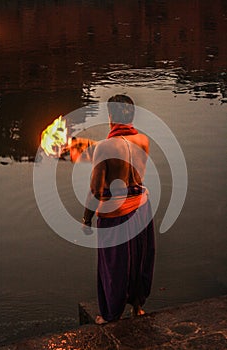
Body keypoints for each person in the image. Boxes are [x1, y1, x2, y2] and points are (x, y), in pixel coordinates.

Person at [82, 95, 155, 324]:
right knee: (139, 260)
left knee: (114, 266)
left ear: (111, 116)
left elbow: (95, 190)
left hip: (115, 215)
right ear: (131, 115)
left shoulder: (104, 147)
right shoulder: (143, 140)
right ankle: (138, 307)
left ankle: (110, 315)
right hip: (141, 208)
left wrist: (86, 219)